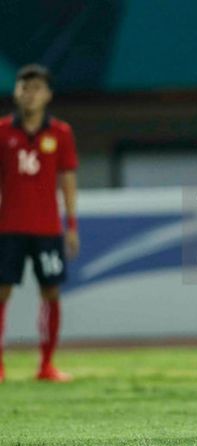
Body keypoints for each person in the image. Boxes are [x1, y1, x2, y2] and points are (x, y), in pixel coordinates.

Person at [0, 64, 79, 383]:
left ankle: (46, 365)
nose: (30, 94)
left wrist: (71, 224)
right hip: (8, 228)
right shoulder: (3, 131)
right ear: (16, 93)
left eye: (36, 88)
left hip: (47, 228)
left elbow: (68, 179)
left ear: (48, 94)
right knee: (2, 293)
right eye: (24, 88)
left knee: (51, 292)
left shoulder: (61, 133)